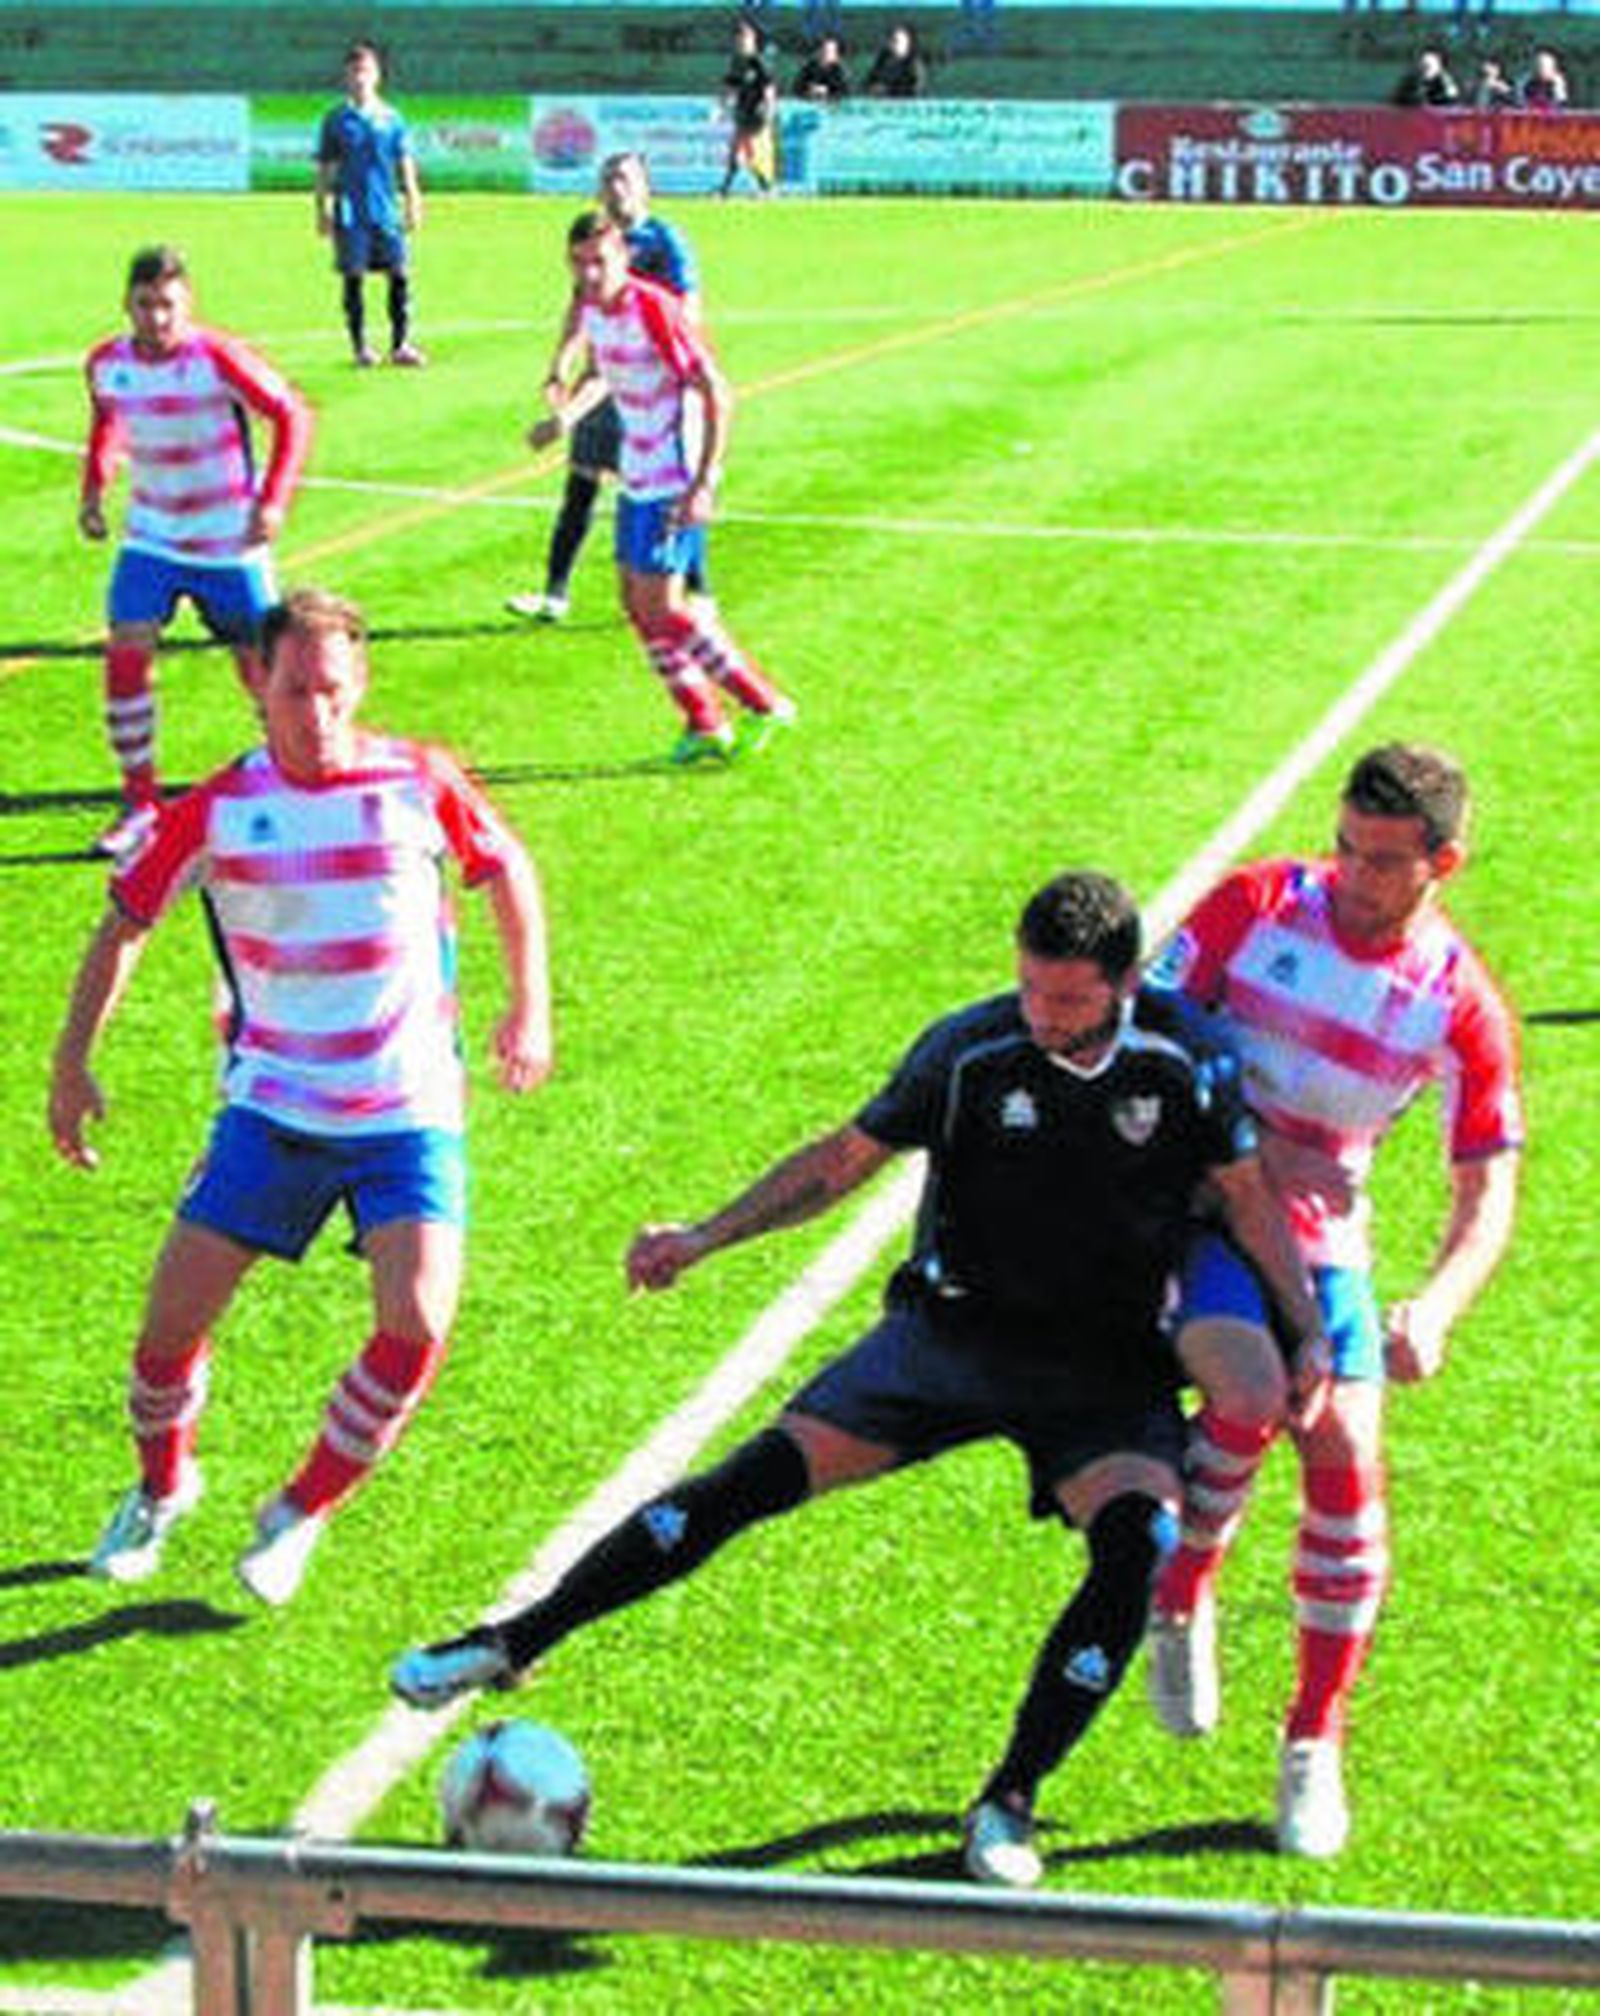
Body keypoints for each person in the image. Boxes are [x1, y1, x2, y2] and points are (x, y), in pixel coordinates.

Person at [392, 871, 1327, 1888]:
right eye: (1029, 990)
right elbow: (839, 1163)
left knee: (1135, 1547)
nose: (1042, 1014)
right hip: (950, 1343)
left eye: (1066, 999)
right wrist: (704, 1237)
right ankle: (509, 1641)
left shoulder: (1188, 1060)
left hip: (1101, 1369)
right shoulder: (968, 1051)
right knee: (747, 1483)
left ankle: (1008, 1802)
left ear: (1125, 984)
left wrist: (1307, 1331)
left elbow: (1246, 1199)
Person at [48, 588, 553, 1608]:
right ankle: (159, 1489)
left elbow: (506, 870)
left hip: (406, 1107)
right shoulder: (220, 807)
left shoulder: (420, 781)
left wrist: (528, 1006)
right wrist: (73, 1060)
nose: (315, 711)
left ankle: (300, 1510)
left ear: (358, 683)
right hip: (274, 1107)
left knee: (415, 1320)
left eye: (332, 690)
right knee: (165, 1333)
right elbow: (126, 920)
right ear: (255, 684)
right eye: (294, 689)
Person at [1145, 745, 1522, 1859]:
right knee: (1252, 1389)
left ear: (1440, 864)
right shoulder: (1260, 900)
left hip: (1321, 1237)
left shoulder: (1457, 1004)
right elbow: (1148, 1022)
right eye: (1346, 846)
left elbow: (1487, 1180)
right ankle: (1184, 1590)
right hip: (1199, 1200)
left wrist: (1438, 1305)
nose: (1349, 875)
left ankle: (1313, 1739)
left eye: (1381, 861)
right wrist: (1245, 1139)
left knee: (1349, 1459)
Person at [529, 211, 795, 766]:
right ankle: (704, 723)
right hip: (637, 469)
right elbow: (603, 373)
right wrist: (566, 419)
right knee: (635, 602)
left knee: (663, 606)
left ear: (624, 257)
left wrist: (703, 482)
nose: (590, 274)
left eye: (600, 261)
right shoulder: (593, 311)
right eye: (579, 264)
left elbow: (716, 391)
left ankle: (763, 702)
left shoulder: (653, 308)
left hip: (673, 470)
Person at [79, 245, 312, 856]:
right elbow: (107, 422)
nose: (157, 318)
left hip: (227, 543)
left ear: (189, 304)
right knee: (125, 654)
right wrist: (94, 488)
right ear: (127, 304)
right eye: (146, 304)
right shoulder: (106, 363)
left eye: (168, 305)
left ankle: (294, 780)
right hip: (151, 539)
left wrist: (273, 500)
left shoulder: (217, 358)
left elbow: (293, 415)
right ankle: (140, 802)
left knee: (264, 671)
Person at [508, 152, 709, 627]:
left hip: (654, 385)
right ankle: (555, 594)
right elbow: (581, 307)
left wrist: (664, 365)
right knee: (581, 483)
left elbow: (688, 311)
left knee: (670, 492)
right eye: (608, 179)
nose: (615, 187)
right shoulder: (595, 241)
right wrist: (560, 363)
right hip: (607, 374)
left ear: (644, 187)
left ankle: (698, 592)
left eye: (624, 178)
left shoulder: (665, 242)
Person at [316, 41, 426, 368]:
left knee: (400, 275)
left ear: (377, 75)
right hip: (350, 213)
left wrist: (413, 200)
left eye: (365, 70)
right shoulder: (336, 120)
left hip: (385, 211)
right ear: (346, 77)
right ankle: (360, 346)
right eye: (354, 71)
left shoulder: (392, 119)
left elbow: (403, 162)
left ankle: (401, 344)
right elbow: (326, 169)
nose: (359, 77)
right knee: (354, 278)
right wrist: (322, 208)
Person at [720, 18, 779, 197]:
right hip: (742, 111)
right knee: (738, 152)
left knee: (747, 151)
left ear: (752, 40)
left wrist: (769, 109)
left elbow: (770, 87)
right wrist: (722, 104)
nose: (741, 42)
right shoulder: (737, 61)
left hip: (756, 113)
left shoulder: (759, 62)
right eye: (738, 38)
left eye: (745, 38)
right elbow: (730, 85)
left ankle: (762, 187)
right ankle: (761, 187)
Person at [864, 23, 927, 98]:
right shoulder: (883, 58)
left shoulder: (914, 64)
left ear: (909, 43)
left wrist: (886, 89)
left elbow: (916, 89)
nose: (893, 44)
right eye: (891, 40)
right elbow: (870, 81)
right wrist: (873, 87)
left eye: (897, 41)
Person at [792, 35, 852, 103]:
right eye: (824, 50)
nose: (825, 54)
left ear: (837, 55)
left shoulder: (840, 72)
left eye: (830, 51)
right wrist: (810, 90)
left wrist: (826, 91)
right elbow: (797, 89)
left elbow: (845, 94)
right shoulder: (809, 68)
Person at [1393, 47, 1460, 106]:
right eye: (1423, 64)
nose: (1424, 68)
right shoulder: (1410, 81)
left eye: (1429, 65)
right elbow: (1395, 102)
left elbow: (1452, 104)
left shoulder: (1447, 83)